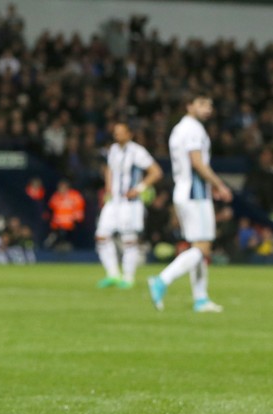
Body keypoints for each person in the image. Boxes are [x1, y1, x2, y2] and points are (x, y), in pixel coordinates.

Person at [148, 93, 233, 312]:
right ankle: (162, 279)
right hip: (195, 194)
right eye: (202, 104)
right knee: (203, 248)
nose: (207, 109)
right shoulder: (193, 129)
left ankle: (201, 299)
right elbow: (197, 162)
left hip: (186, 192)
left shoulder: (180, 128)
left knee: (199, 247)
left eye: (210, 104)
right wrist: (219, 185)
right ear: (189, 105)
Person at [95, 122, 163, 289]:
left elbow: (156, 172)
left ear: (130, 134)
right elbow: (109, 169)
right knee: (101, 236)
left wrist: (139, 188)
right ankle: (113, 274)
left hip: (130, 203)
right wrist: (108, 187)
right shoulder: (113, 150)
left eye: (121, 132)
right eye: (115, 133)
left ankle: (128, 277)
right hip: (114, 201)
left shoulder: (137, 151)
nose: (117, 136)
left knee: (129, 239)